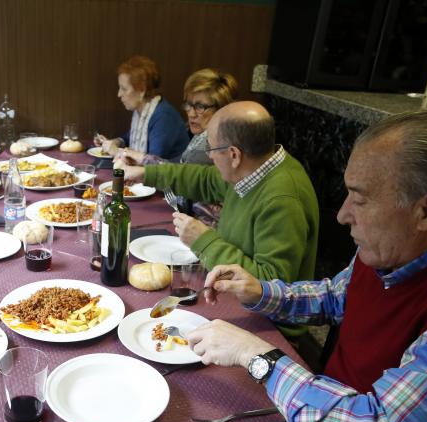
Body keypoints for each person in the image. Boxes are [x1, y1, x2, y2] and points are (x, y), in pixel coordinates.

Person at [187, 110, 427, 422]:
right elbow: (339, 294)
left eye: (359, 199)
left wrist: (259, 358)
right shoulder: (394, 244)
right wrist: (262, 292)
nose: (343, 215)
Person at [140, 101, 318, 338]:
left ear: (234, 154)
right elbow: (204, 179)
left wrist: (204, 240)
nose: (210, 157)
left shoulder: (282, 200)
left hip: (268, 327)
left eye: (212, 150)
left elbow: (270, 286)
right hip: (230, 295)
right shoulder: (254, 166)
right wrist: (146, 173)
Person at [115, 67, 239, 225]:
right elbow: (181, 171)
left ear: (222, 109)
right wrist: (141, 160)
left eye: (200, 107)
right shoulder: (202, 135)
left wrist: (143, 168)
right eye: (189, 105)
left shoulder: (211, 146)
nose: (191, 113)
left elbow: (181, 182)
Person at [94, 55, 189, 161]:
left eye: (124, 89)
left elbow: (153, 162)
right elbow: (129, 137)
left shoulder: (163, 116)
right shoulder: (142, 109)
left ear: (142, 90)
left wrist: (118, 151)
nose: (119, 94)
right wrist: (115, 142)